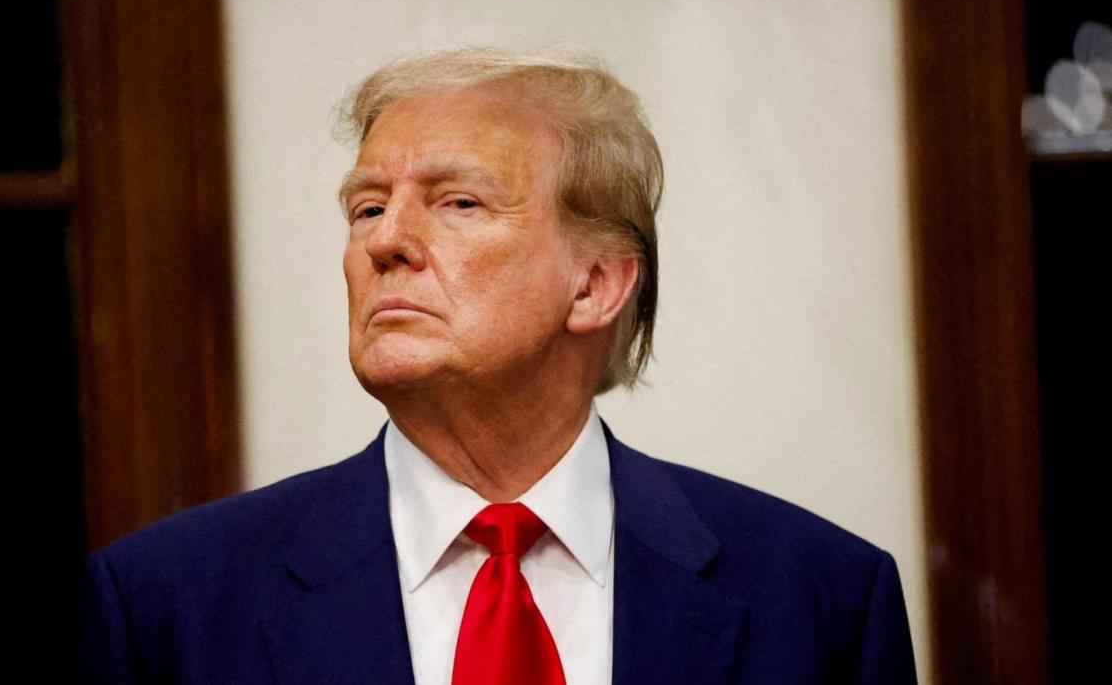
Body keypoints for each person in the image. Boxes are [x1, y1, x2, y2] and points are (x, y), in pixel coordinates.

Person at [78, 47, 917, 684]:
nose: (384, 240)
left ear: (594, 284)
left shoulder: (820, 598)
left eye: (459, 202)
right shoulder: (165, 607)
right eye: (367, 206)